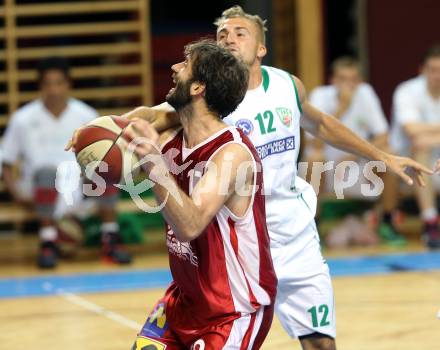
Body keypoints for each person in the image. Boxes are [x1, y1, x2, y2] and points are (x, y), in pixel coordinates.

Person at [80, 6, 432, 350]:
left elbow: (322, 124)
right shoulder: (208, 101)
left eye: (239, 32)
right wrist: (101, 132)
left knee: (321, 341)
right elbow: (150, 115)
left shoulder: (287, 86)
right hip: (238, 236)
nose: (229, 38)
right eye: (222, 34)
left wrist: (382, 156)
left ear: (261, 47)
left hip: (290, 232)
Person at [125, 40, 277, 349]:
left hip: (231, 311)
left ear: (198, 88)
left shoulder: (232, 153)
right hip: (183, 300)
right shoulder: (170, 140)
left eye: (184, 65)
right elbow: (144, 118)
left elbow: (191, 225)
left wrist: (154, 163)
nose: (174, 68)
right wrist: (95, 135)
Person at [1, 57, 131, 268]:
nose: (54, 90)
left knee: (106, 167)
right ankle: (47, 241)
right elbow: (5, 162)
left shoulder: (86, 115)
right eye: (48, 84)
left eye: (58, 83)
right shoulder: (22, 119)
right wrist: (16, 194)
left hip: (78, 186)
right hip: (39, 187)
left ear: (68, 84)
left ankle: (111, 238)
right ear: (40, 86)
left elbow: (102, 153)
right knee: (45, 172)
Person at [308, 57, 405, 245]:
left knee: (388, 154)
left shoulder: (365, 94)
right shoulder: (319, 96)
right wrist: (341, 108)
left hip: (359, 168)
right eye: (343, 79)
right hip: (329, 170)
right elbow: (314, 144)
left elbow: (383, 136)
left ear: (359, 81)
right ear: (333, 81)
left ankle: (387, 221)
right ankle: (313, 227)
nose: (348, 85)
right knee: (314, 158)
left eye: (353, 79)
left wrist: (355, 154)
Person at [390, 45, 440, 249]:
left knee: (424, 143)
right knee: (420, 147)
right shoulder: (407, 91)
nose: (438, 75)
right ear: (422, 70)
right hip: (405, 167)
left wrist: (430, 134)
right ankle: (430, 222)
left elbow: (422, 133)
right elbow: (412, 131)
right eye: (433, 69)